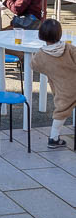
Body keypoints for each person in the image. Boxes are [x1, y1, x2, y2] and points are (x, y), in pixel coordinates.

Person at [32, 18, 76, 149]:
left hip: (62, 89)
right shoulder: (69, 48)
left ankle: (54, 138)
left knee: (61, 112)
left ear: (41, 35)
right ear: (60, 34)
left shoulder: (41, 55)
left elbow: (34, 66)